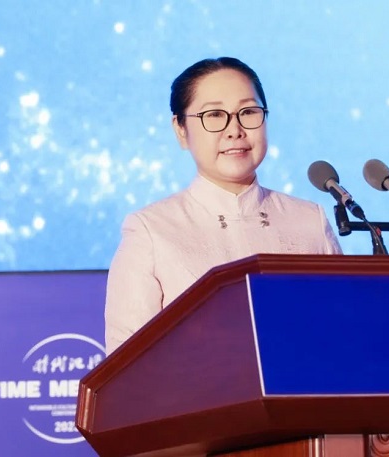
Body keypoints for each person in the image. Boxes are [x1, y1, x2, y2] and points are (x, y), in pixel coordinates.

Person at [104, 57, 342, 354]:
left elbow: (342, 331)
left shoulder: (310, 220)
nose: (235, 130)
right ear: (180, 129)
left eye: (248, 112)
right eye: (215, 115)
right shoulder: (151, 231)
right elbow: (127, 362)